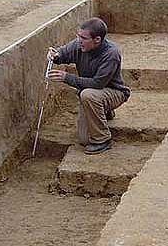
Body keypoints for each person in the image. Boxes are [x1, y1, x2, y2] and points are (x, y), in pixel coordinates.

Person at [47, 17, 130, 155]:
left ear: (97, 39)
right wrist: (55, 56)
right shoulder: (80, 44)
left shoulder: (111, 54)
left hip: (114, 92)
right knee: (84, 139)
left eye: (83, 38)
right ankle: (103, 111)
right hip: (95, 93)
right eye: (78, 36)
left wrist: (66, 78)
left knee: (88, 94)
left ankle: (102, 139)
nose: (79, 40)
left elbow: (97, 84)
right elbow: (63, 53)